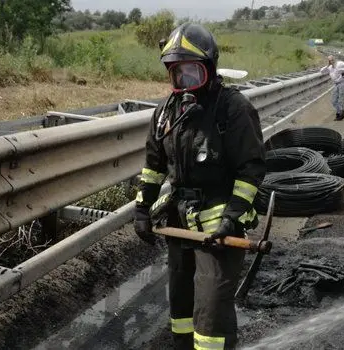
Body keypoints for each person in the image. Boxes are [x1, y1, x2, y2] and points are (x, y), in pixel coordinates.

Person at [132, 22, 267, 350]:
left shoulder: (231, 109)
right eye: (178, 73)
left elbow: (251, 169)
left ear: (209, 68)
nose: (185, 81)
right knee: (181, 303)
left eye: (192, 72)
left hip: (220, 230)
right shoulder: (166, 113)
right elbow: (153, 167)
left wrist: (233, 216)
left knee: (211, 312)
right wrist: (142, 208)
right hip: (180, 222)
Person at [320, 55, 344, 121]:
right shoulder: (330, 67)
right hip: (336, 84)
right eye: (330, 60)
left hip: (343, 83)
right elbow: (322, 71)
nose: (331, 61)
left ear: (335, 59)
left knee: (340, 98)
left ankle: (339, 114)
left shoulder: (340, 64)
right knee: (333, 101)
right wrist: (327, 65)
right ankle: (341, 112)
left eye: (332, 59)